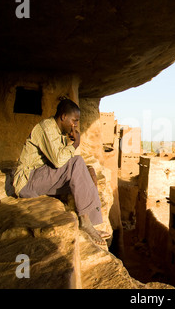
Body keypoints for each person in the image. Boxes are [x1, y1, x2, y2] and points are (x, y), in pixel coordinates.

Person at [13, 98, 109, 245]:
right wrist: (75, 144)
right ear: (63, 117)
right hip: (27, 181)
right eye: (74, 120)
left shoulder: (58, 133)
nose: (76, 125)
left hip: (40, 177)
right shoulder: (46, 128)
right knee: (77, 162)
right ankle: (85, 222)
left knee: (89, 170)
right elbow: (58, 161)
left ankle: (93, 223)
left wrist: (69, 142)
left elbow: (61, 163)